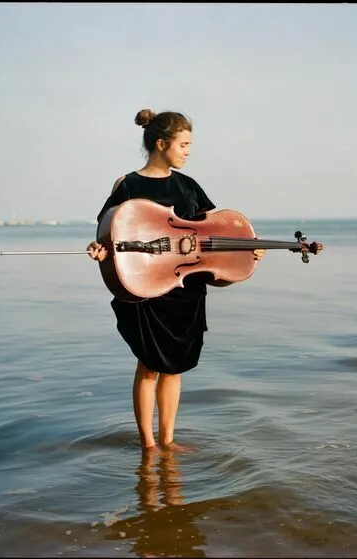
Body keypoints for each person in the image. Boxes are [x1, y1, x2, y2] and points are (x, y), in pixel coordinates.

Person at [87, 109, 265, 453]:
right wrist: (101, 250)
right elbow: (110, 232)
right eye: (183, 144)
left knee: (174, 368)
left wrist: (249, 249)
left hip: (185, 287)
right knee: (149, 365)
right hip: (144, 285)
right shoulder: (127, 185)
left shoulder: (189, 186)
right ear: (160, 143)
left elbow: (215, 231)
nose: (187, 151)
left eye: (189, 145)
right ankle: (148, 445)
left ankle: (168, 441)